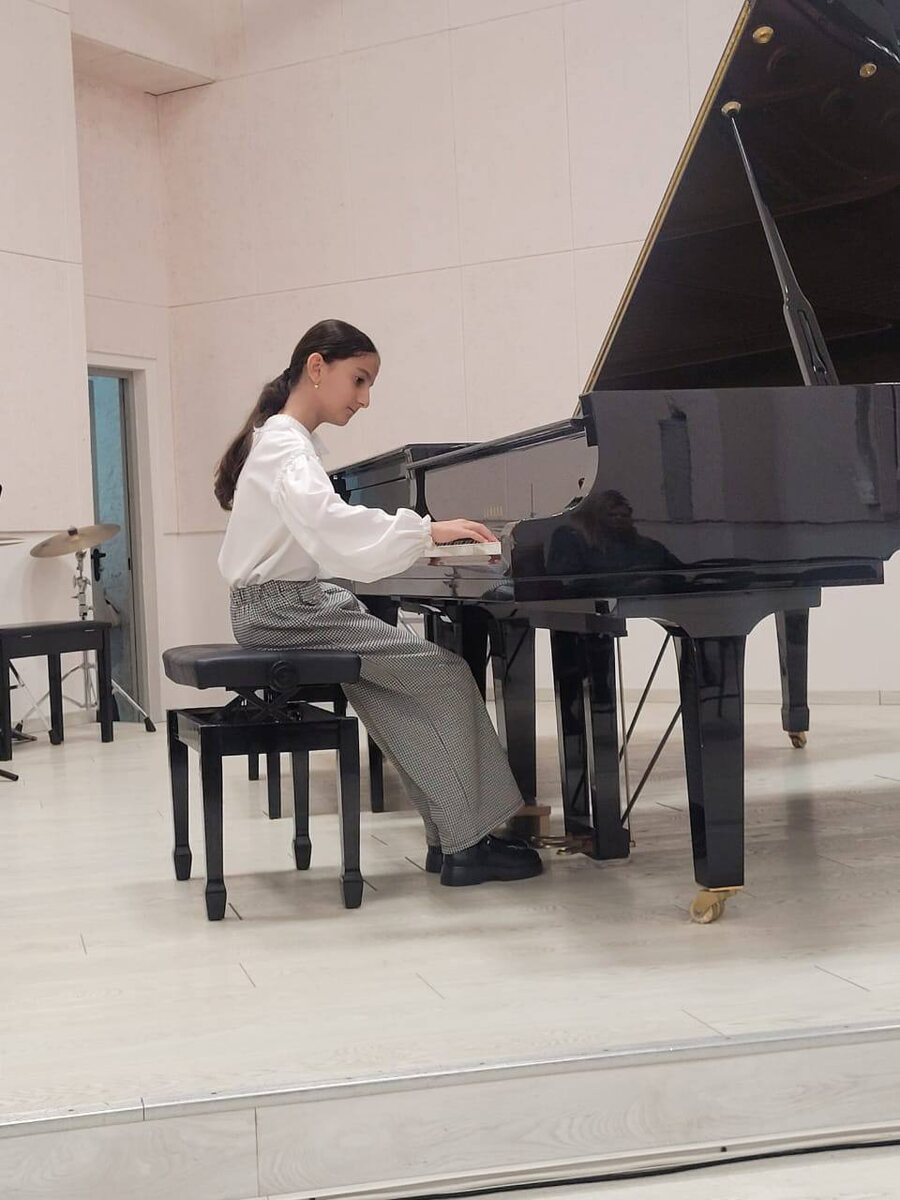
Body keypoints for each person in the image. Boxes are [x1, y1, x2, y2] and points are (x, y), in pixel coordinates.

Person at [215, 319, 542, 887]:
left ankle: (453, 838)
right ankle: (468, 845)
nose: (364, 399)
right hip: (284, 611)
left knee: (395, 688)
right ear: (317, 367)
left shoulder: (281, 441)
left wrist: (415, 539)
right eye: (359, 380)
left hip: (278, 607)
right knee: (446, 674)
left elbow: (327, 535)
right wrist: (427, 531)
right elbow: (331, 524)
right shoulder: (287, 445)